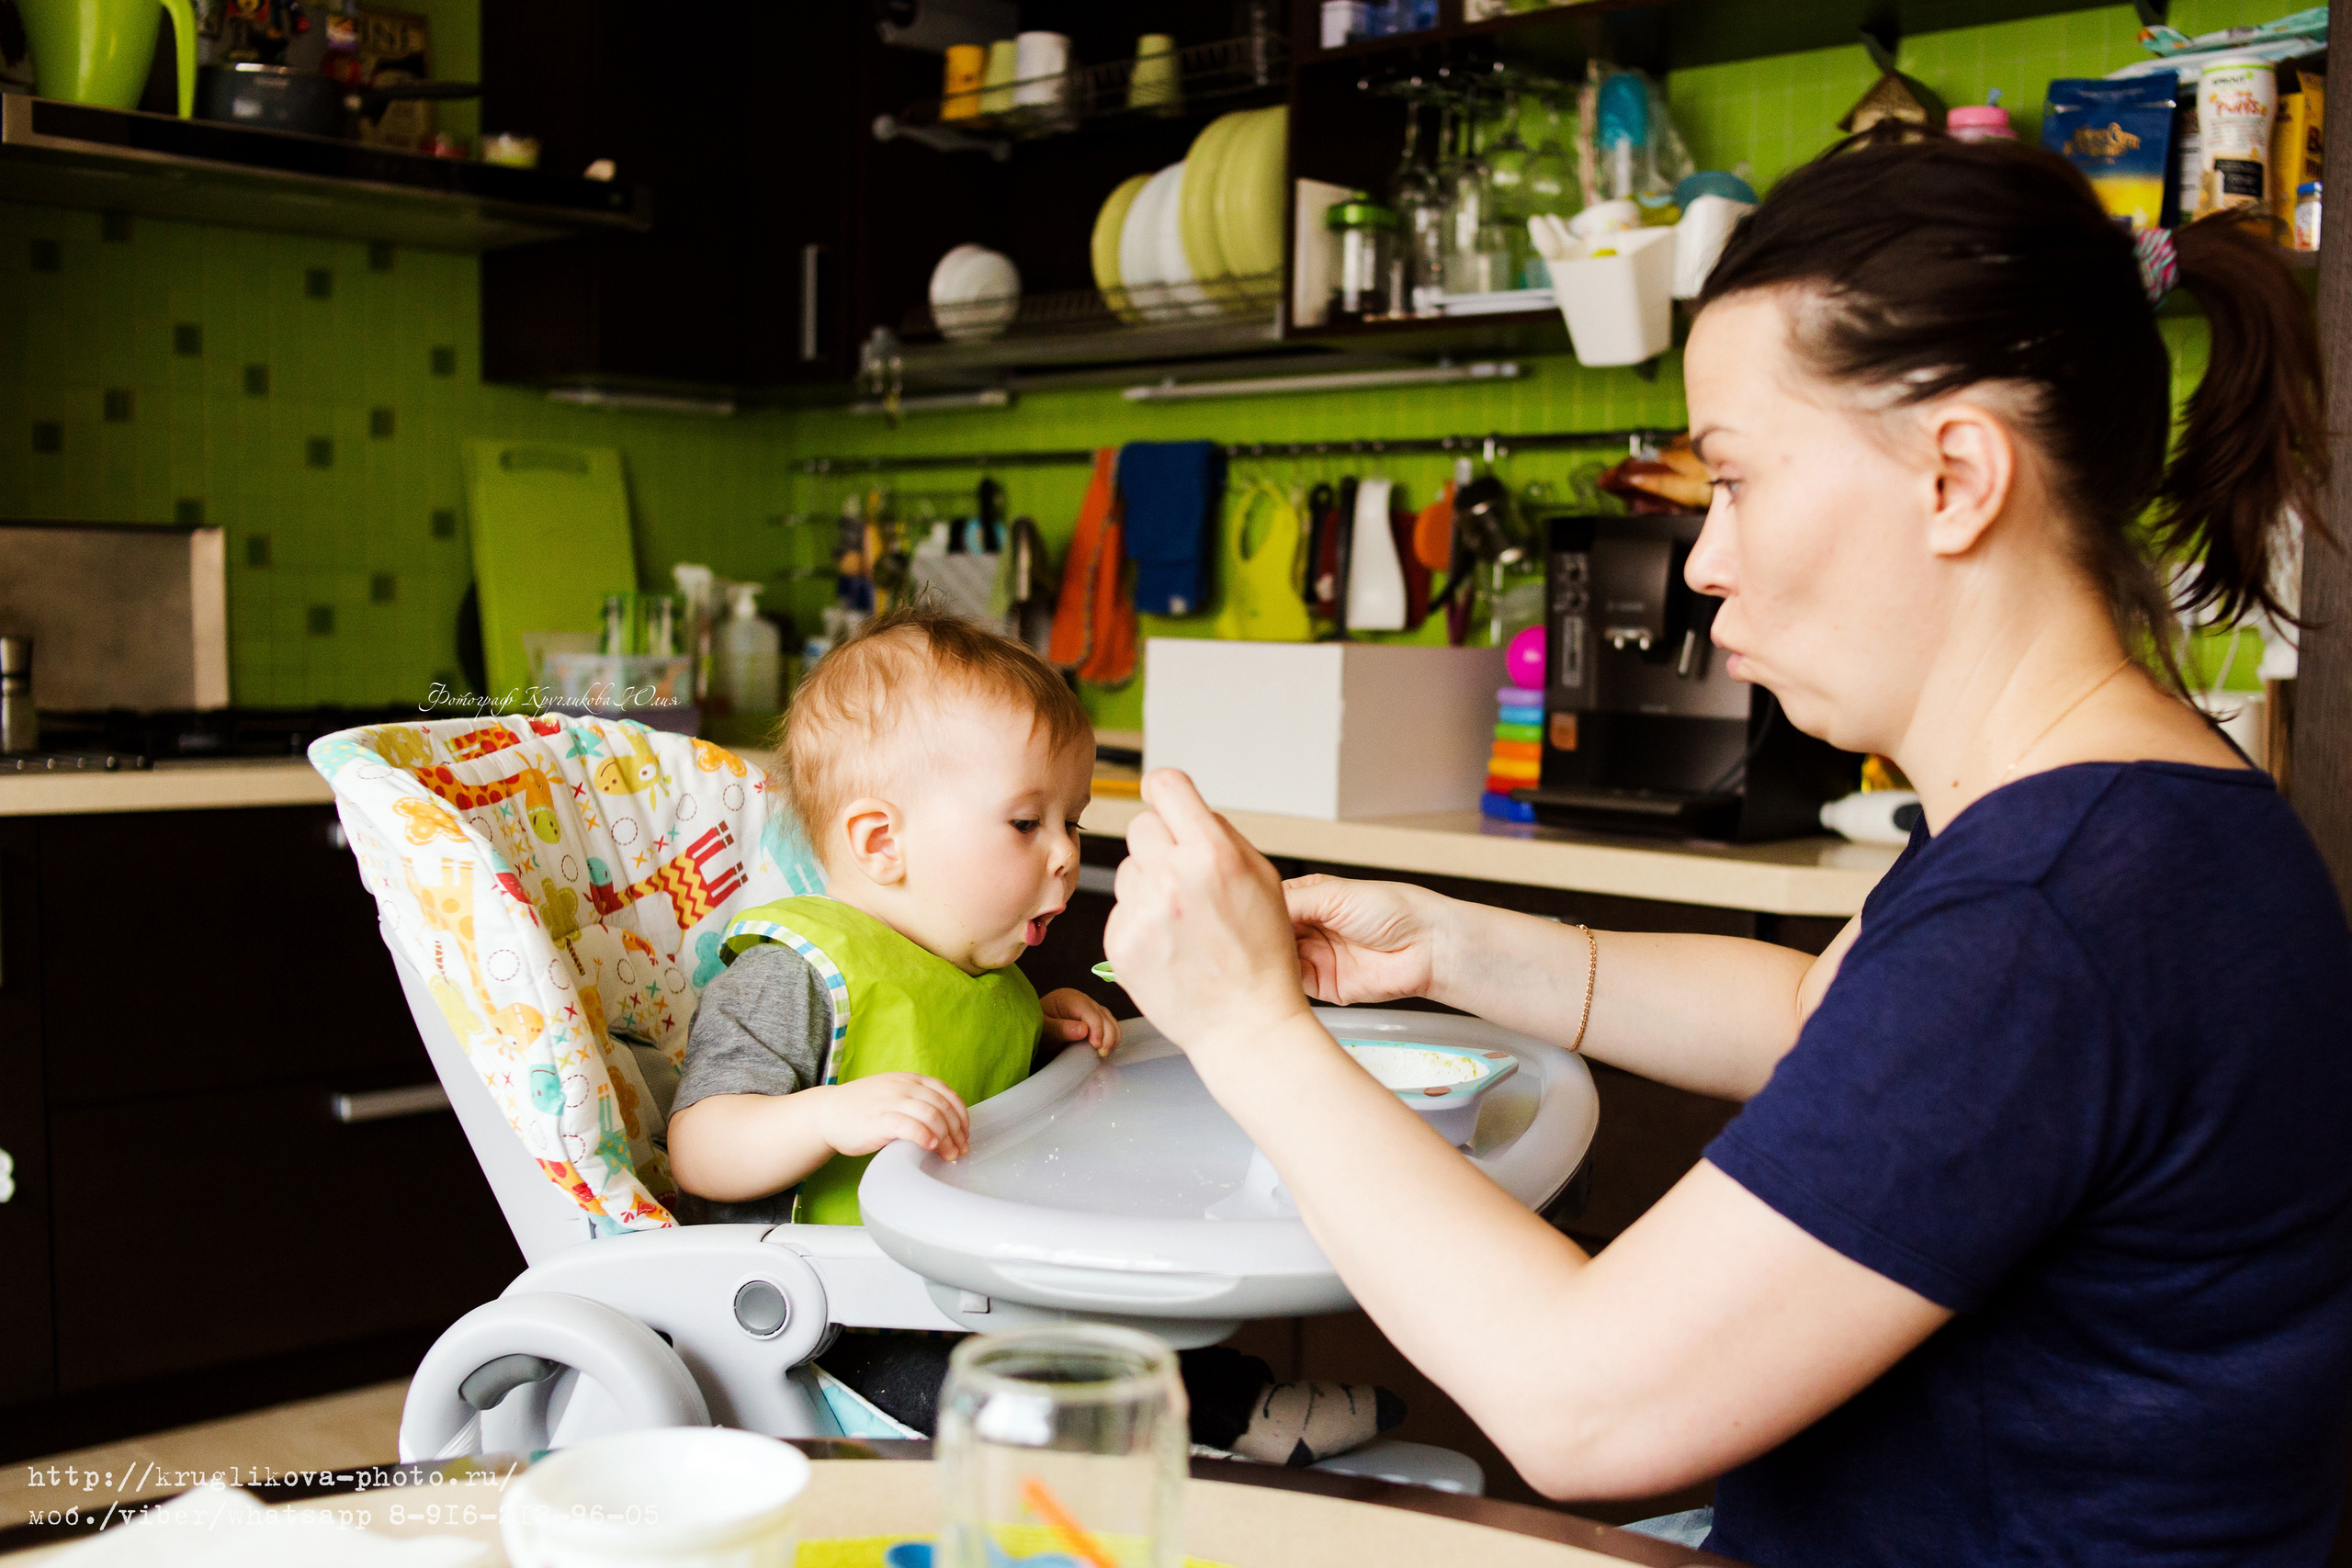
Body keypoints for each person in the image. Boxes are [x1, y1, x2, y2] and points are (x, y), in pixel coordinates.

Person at [1103, 134, 2352, 1566]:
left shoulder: (2055, 909)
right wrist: (1455, 944)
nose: (1701, 561)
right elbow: (1827, 1020)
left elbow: (1583, 1401)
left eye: (1740, 481)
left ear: (1955, 477)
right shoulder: (2122, 818)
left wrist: (1247, 1026)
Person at [667, 605, 1401, 1461]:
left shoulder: (978, 971)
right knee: (1037, 1388)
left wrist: (1038, 1030)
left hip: (979, 1285)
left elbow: (973, 1075)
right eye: (1027, 822)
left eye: (1073, 820)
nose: (1064, 854)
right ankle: (1205, 1432)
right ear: (881, 841)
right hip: (847, 1326)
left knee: (1119, 1327)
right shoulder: (798, 975)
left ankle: (1237, 1403)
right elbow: (701, 1145)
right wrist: (826, 1116)